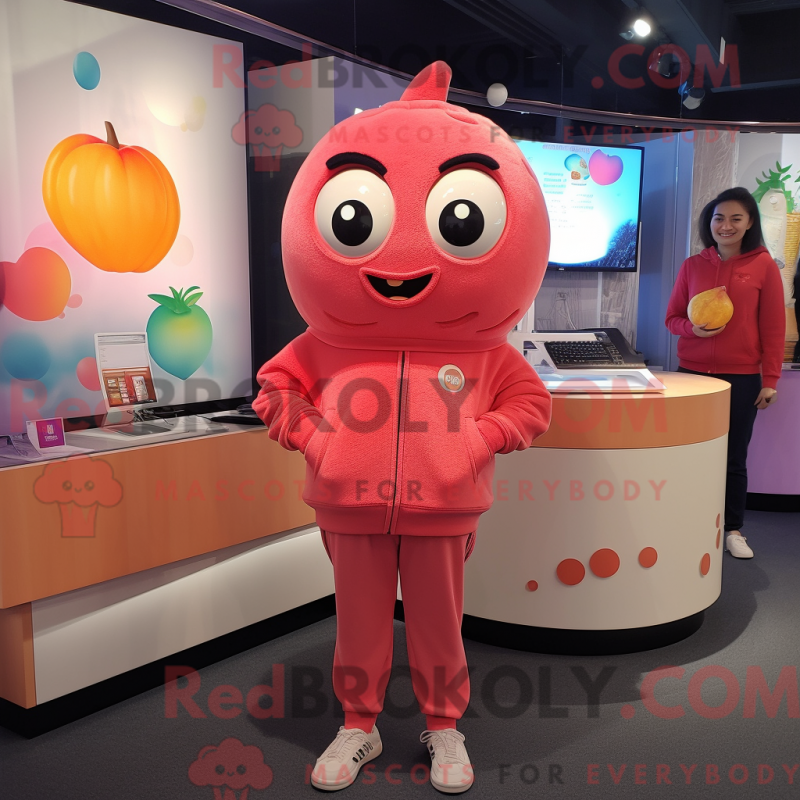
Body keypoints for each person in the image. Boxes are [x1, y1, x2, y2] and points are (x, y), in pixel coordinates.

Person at [253, 62, 552, 793]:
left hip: (443, 510)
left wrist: (473, 442)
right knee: (357, 624)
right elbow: (274, 389)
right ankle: (358, 725)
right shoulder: (323, 342)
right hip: (349, 507)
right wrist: (318, 440)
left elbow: (531, 405)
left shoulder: (484, 350)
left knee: (438, 625)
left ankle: (444, 727)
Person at [665, 186, 785, 558]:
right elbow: (672, 318)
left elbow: (773, 327)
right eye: (719, 218)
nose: (726, 225)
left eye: (736, 218)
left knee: (733, 457)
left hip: (742, 378)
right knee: (689, 453)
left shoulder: (763, 266)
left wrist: (770, 379)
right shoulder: (692, 265)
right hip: (692, 376)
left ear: (749, 223)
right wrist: (692, 330)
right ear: (710, 222)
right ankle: (686, 522)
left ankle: (732, 529)